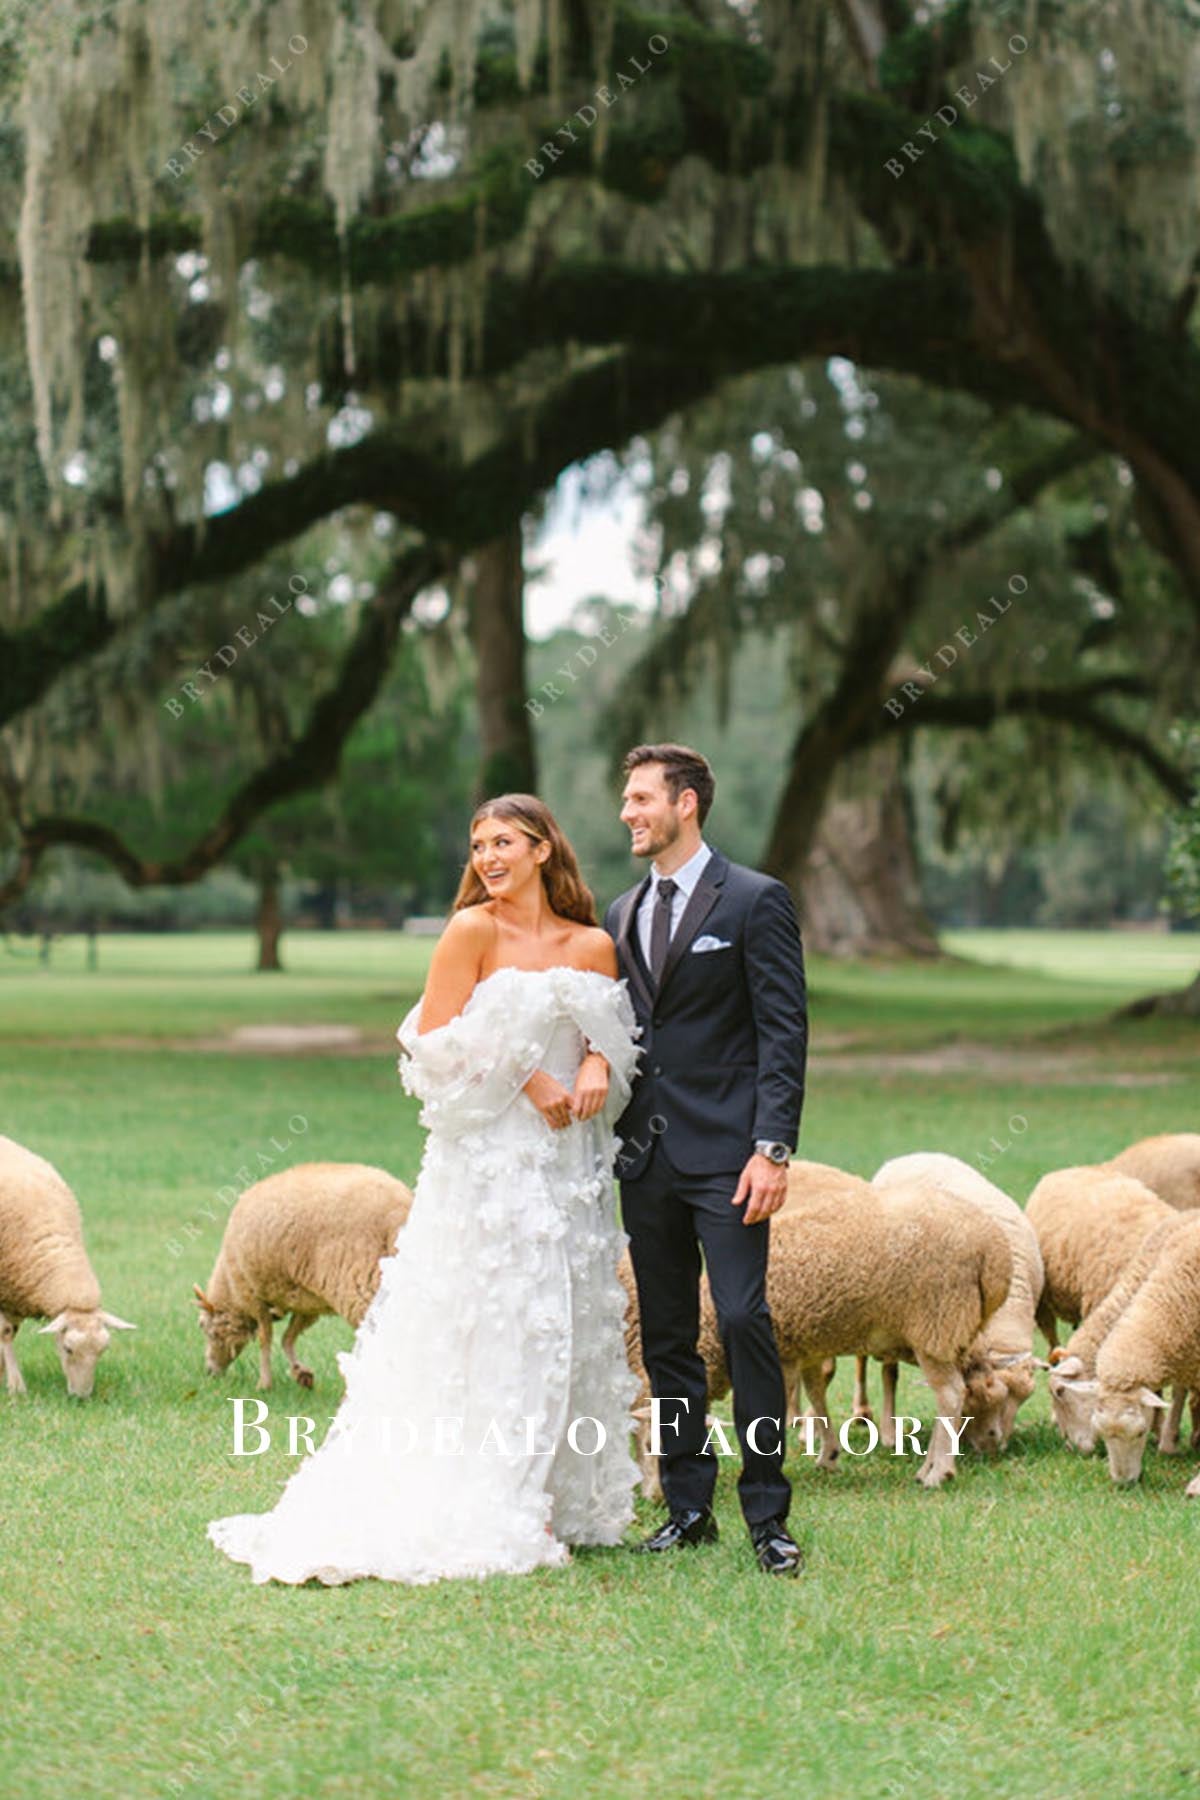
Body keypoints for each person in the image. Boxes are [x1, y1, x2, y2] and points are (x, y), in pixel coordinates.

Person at [207, 796, 641, 1586]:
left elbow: (613, 1039)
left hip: (567, 1172)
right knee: (491, 1312)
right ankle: (486, 1495)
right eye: (478, 844)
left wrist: (594, 1067)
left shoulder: (593, 944)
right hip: (490, 1162)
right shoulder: (472, 931)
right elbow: (429, 1044)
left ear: (544, 848)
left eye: (504, 841)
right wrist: (528, 1078)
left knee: (562, 1315)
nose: (488, 857)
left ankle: (553, 1492)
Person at [604, 743, 808, 1577]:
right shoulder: (620, 912)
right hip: (644, 1160)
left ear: (686, 804)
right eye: (626, 798)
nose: (628, 812)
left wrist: (772, 1148)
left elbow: (783, 1031)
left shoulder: (756, 900)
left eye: (642, 797)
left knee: (743, 1320)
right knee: (667, 1337)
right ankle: (688, 1506)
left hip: (729, 1157)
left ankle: (768, 1514)